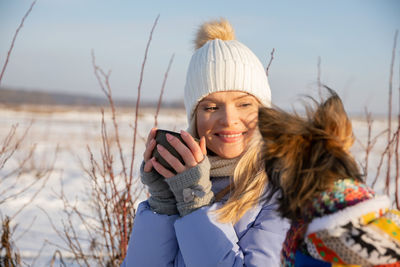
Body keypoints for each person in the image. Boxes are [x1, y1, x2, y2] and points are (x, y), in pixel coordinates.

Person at [121, 18, 289, 267]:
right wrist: (163, 204)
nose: (229, 119)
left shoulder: (282, 190)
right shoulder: (186, 179)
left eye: (244, 104)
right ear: (195, 118)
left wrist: (197, 205)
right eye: (211, 107)